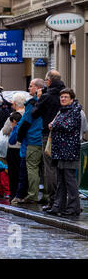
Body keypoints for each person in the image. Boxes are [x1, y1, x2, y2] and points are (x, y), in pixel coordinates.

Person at [47, 88, 84, 216]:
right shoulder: (62, 111)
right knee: (60, 180)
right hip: (59, 150)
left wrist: (54, 124)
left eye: (66, 97)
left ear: (71, 98)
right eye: (61, 97)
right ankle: (58, 206)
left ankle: (73, 207)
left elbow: (68, 126)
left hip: (69, 151)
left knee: (69, 180)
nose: (63, 99)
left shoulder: (75, 111)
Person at [32, 70, 65, 211]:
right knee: (63, 169)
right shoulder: (66, 94)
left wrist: (39, 98)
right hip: (65, 136)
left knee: (50, 168)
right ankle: (64, 200)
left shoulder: (47, 96)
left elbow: (34, 113)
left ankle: (53, 201)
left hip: (49, 134)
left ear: (49, 81)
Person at [16, 79, 45, 204]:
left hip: (33, 140)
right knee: (46, 170)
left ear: (38, 88)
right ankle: (48, 195)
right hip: (45, 139)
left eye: (31, 86)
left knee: (32, 169)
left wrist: (19, 136)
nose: (29, 88)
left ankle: (32, 195)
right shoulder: (50, 101)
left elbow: (25, 121)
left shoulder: (32, 103)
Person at [2, 93, 27, 202]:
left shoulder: (13, 116)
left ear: (15, 104)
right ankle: (22, 194)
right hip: (24, 147)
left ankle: (13, 194)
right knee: (23, 173)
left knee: (13, 173)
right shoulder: (27, 114)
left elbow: (5, 131)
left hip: (13, 147)